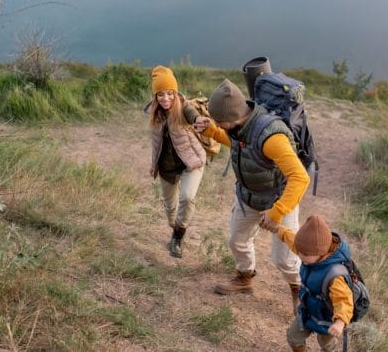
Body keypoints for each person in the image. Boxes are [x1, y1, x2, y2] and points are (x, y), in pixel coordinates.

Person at [193, 78, 310, 312]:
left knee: (285, 259)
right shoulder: (241, 126)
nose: (217, 123)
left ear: (232, 118)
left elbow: (300, 178)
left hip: (279, 199)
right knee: (237, 241)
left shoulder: (272, 137)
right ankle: (245, 279)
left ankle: (300, 293)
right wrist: (212, 131)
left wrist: (276, 213)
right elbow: (238, 144)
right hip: (248, 196)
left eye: (219, 121)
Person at [261, 214, 354, 352]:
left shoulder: (335, 276)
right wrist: (279, 229)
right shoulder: (306, 251)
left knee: (326, 344)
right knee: (293, 338)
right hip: (307, 311)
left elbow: (344, 301)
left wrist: (340, 322)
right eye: (299, 252)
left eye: (304, 255)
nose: (300, 256)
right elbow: (292, 239)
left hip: (327, 317)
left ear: (321, 253)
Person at [146, 66, 207, 258]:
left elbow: (192, 114)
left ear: (176, 92)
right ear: (155, 96)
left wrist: (199, 120)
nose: (166, 99)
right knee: (170, 208)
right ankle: (175, 227)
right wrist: (153, 164)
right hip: (166, 167)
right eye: (161, 94)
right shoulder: (154, 114)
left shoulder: (184, 106)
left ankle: (178, 237)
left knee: (187, 198)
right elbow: (156, 143)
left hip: (191, 162)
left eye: (170, 93)